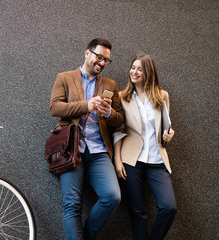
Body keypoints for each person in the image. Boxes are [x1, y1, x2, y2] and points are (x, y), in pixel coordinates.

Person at [50, 38, 124, 240]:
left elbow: (120, 121)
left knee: (112, 196)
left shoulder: (110, 84)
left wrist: (109, 113)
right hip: (71, 150)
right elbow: (55, 107)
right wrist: (86, 105)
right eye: (99, 57)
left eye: (106, 60)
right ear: (87, 53)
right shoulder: (64, 78)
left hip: (99, 151)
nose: (102, 63)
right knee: (72, 204)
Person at [113, 54, 177, 240]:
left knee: (168, 207)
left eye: (140, 69)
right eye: (133, 68)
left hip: (157, 160)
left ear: (149, 72)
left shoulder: (161, 96)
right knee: (137, 212)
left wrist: (169, 134)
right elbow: (117, 131)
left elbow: (166, 127)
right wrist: (117, 161)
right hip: (131, 160)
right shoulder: (121, 97)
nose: (134, 72)